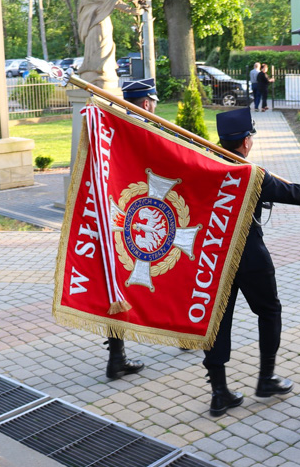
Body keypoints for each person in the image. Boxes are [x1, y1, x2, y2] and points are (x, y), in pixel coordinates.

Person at [202, 107, 300, 417]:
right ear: (246, 141)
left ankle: (219, 393)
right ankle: (266, 378)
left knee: (217, 322)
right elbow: (296, 194)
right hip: (251, 258)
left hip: (216, 259)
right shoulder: (252, 174)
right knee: (269, 311)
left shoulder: (205, 167)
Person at [102, 78, 160, 380]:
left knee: (117, 287)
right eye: (154, 104)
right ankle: (184, 331)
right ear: (147, 104)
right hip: (150, 225)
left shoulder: (110, 130)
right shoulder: (150, 132)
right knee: (163, 279)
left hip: (117, 224)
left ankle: (116, 355)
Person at [77, 0, 144, 90]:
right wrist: (131, 10)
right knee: (103, 48)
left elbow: (82, 8)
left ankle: (91, 73)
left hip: (90, 25)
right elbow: (114, 0)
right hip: (101, 23)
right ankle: (101, 72)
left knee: (93, 49)